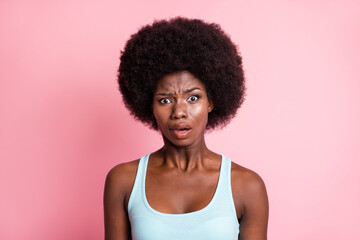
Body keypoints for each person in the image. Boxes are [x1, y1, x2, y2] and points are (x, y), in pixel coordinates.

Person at [104, 17, 269, 240]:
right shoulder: (124, 181)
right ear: (148, 104)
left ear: (211, 102)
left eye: (193, 97)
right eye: (165, 100)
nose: (179, 112)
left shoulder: (247, 186)